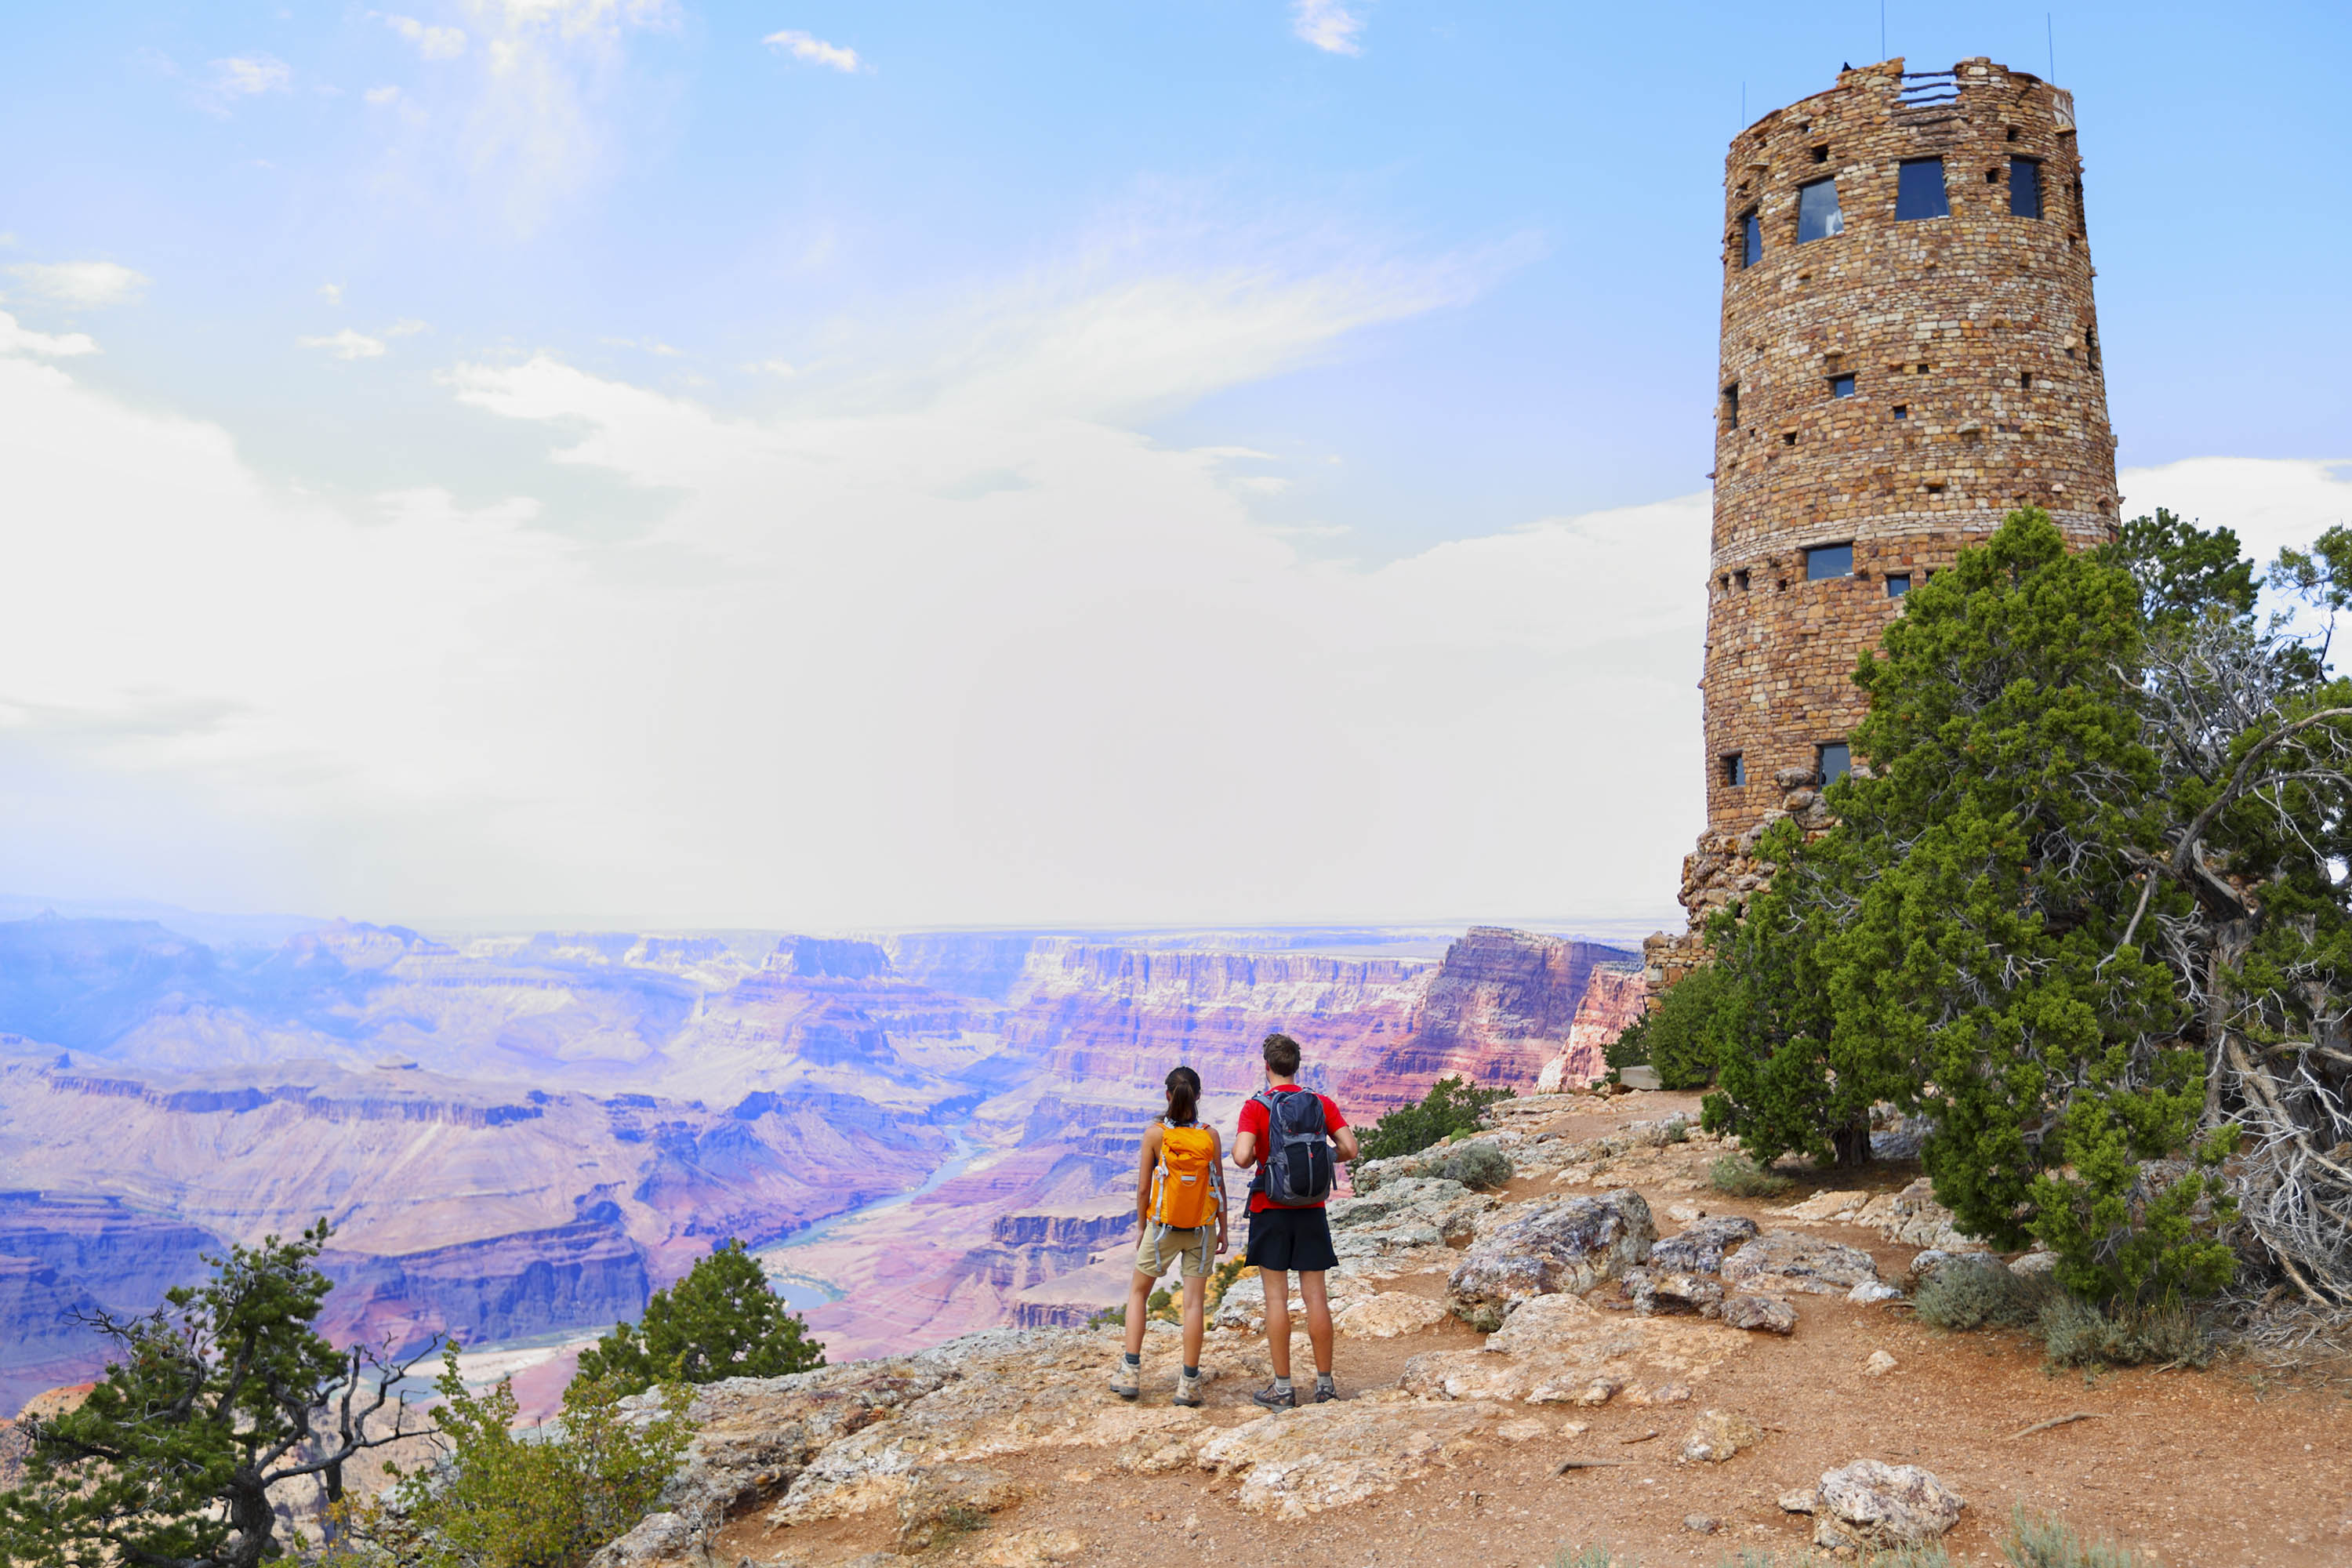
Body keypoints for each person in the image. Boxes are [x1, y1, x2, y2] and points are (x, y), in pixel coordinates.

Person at [1231, 1032, 1358, 1409]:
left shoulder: (1256, 1107)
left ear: (1267, 1066)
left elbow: (1240, 1157)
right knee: (1316, 1296)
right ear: (1296, 1066)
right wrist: (1320, 1156)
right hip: (1312, 1212)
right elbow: (1350, 1148)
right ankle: (1324, 1386)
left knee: (1276, 1299)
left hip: (1270, 1210)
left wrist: (1261, 1154)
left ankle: (1283, 1389)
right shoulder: (1320, 1102)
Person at [1111, 1065, 1228, 1406]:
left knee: (1138, 1295)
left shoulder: (1155, 1135)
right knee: (1193, 1305)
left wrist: (1141, 1227)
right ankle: (1188, 1384)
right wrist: (1223, 1227)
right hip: (1202, 1228)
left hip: (1161, 1228)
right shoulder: (1211, 1135)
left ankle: (1130, 1372)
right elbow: (1218, 1185)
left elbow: (1144, 1187)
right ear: (1199, 1096)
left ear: (1167, 1095)